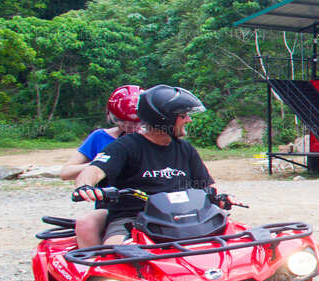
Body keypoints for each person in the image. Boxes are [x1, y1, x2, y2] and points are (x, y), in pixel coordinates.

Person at [72, 85, 218, 245]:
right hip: (132, 219)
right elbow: (94, 170)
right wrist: (85, 187)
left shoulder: (185, 149)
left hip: (182, 217)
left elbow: (207, 185)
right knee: (115, 248)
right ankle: (97, 268)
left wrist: (221, 197)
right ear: (164, 119)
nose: (189, 120)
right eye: (183, 115)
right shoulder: (124, 146)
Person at [61, 85, 142, 248]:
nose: (131, 127)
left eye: (136, 122)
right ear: (114, 118)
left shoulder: (152, 139)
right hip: (114, 205)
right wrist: (102, 164)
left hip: (149, 201)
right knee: (86, 224)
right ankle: (95, 265)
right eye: (124, 121)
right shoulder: (100, 137)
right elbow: (65, 172)